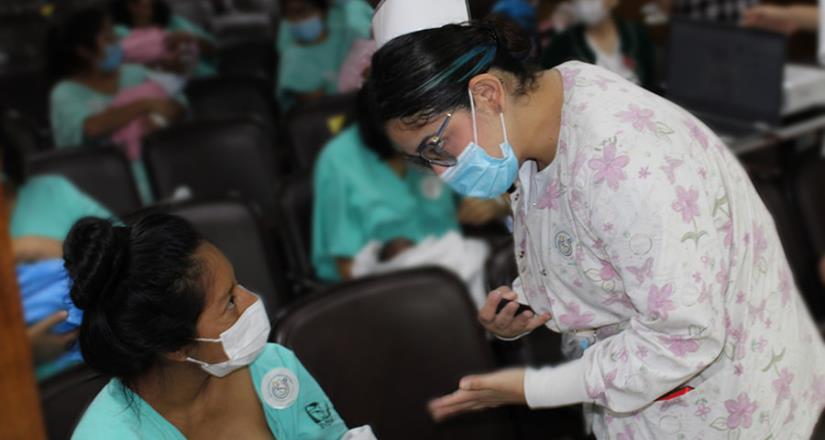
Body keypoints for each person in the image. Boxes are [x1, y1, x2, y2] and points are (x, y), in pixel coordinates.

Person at [364, 2, 825, 436]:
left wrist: (533, 388)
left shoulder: (625, 164)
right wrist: (529, 303)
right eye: (424, 161)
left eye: (435, 147)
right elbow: (586, 241)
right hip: (643, 398)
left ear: (486, 93)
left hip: (726, 410)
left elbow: (683, 338)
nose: (442, 172)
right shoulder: (543, 110)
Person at [67, 213, 375, 439]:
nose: (249, 300)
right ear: (176, 347)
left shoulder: (272, 367)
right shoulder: (106, 435)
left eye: (237, 285)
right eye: (229, 301)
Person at [312, 88, 510, 282]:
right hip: (389, 287)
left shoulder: (435, 135)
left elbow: (489, 191)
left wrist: (494, 205)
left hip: (453, 264)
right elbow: (347, 266)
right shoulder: (338, 160)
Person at [2, 126, 114, 380]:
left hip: (117, 355)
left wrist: (53, 251)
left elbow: (137, 257)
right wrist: (21, 353)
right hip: (32, 400)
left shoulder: (52, 192)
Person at [47, 6, 186, 201]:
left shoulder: (135, 73)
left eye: (115, 36)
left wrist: (164, 118)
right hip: (103, 189)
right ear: (84, 51)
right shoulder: (65, 93)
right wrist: (143, 104)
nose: (117, 44)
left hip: (161, 178)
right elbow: (90, 128)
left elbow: (178, 107)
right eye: (108, 39)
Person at [276, 0, 373, 108]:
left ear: (323, 12)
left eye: (303, 11)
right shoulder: (294, 60)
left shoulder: (345, 34)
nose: (297, 18)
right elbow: (317, 107)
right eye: (291, 14)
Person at [541, 0, 657, 90]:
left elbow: (650, 81)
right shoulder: (563, 43)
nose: (584, 4)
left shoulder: (635, 34)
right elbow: (544, 80)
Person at [110, 0, 218, 77]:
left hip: (203, 79)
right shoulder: (118, 33)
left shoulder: (175, 22)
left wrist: (192, 38)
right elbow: (114, 68)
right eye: (135, 2)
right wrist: (164, 65)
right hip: (158, 91)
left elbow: (214, 50)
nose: (145, 2)